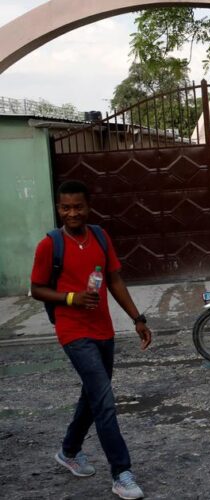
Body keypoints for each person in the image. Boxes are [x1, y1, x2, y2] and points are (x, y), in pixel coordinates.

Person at [30, 180, 152, 500]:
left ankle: (69, 451)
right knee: (104, 401)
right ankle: (121, 473)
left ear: (88, 207)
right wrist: (70, 298)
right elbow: (36, 289)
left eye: (78, 207)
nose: (73, 213)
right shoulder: (50, 245)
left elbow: (114, 279)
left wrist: (137, 318)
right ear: (58, 209)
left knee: (92, 395)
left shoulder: (99, 236)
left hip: (103, 329)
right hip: (72, 331)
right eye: (66, 207)